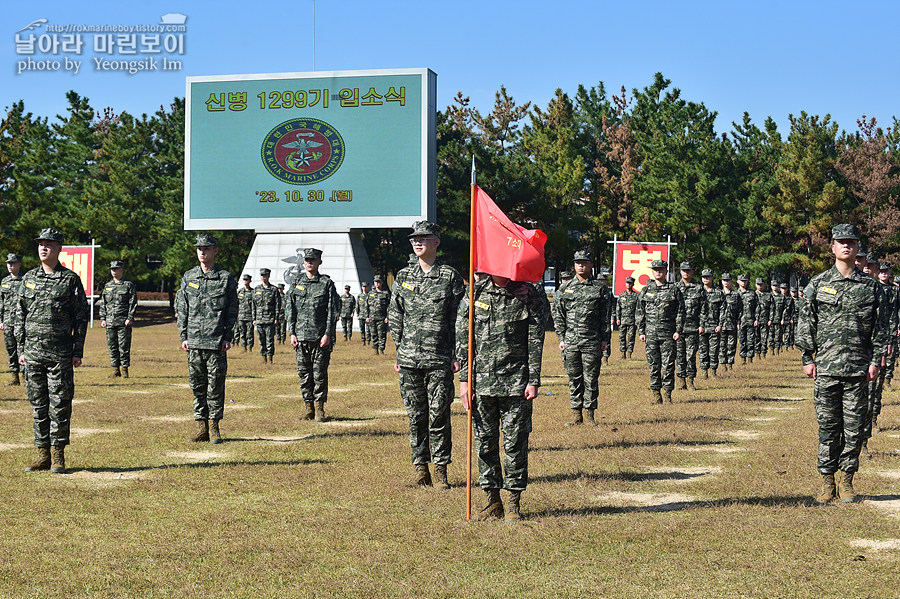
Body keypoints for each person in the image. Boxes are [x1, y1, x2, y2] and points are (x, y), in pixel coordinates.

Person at [798, 224, 887, 503]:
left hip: (858, 369)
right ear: (833, 247)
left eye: (851, 242)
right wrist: (806, 357)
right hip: (825, 368)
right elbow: (806, 322)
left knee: (854, 428)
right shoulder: (818, 283)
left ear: (858, 247)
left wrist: (875, 360)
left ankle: (847, 480)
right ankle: (827, 482)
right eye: (841, 242)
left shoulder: (871, 287)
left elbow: (880, 327)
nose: (846, 246)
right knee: (827, 426)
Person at [457, 273, 545, 521]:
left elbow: (535, 337)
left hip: (516, 382)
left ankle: (514, 502)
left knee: (515, 443)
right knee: (485, 442)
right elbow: (464, 337)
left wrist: (534, 379)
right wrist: (465, 380)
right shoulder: (475, 292)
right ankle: (492, 501)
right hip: (481, 383)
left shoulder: (528, 292)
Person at [388, 221, 464, 488]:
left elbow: (459, 319)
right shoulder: (403, 277)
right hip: (409, 359)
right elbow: (395, 314)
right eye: (413, 239)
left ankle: (441, 468)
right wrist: (400, 349)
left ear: (436, 242)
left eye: (423, 238)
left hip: (439, 359)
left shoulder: (450, 277)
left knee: (439, 414)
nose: (417, 242)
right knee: (415, 416)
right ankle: (421, 468)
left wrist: (456, 354)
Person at [17, 228, 89, 474]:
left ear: (59, 248)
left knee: (59, 404)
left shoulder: (69, 280)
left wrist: (77, 350)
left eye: (49, 244)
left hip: (59, 355)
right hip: (33, 354)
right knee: (38, 405)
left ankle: (58, 455)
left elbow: (80, 317)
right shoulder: (28, 279)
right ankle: (42, 454)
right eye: (40, 244)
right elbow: (20, 315)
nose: (43, 248)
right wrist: (21, 349)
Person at [175, 233, 238, 444]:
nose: (202, 251)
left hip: (216, 342)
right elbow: (182, 308)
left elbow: (232, 311)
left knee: (216, 386)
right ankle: (201, 427)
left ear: (215, 251)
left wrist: (228, 336)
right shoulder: (189, 277)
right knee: (197, 385)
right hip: (194, 341)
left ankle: (214, 428)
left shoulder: (225, 278)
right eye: (199, 248)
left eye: (207, 248)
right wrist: (183, 335)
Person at [553, 250, 610, 426]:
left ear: (591, 265)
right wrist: (561, 337)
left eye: (584, 262)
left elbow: (605, 316)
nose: (581, 265)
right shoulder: (565, 288)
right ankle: (576, 414)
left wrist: (605, 339)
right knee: (574, 378)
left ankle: (590, 414)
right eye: (578, 262)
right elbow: (558, 314)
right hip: (571, 340)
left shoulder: (599, 289)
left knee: (591, 378)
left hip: (592, 340)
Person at [286, 248, 338, 422]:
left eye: (313, 260)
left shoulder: (326, 283)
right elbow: (290, 309)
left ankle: (320, 408)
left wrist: (328, 334)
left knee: (319, 373)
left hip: (319, 337)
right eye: (307, 260)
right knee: (304, 373)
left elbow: (332, 310)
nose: (309, 262)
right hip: (301, 337)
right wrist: (291, 332)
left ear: (319, 262)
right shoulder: (296, 282)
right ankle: (308, 408)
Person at [638, 259, 685, 403]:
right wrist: (641, 331)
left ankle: (668, 394)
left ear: (666, 271)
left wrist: (678, 330)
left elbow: (680, 311)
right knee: (653, 364)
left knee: (668, 364)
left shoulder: (674, 289)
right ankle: (656, 393)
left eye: (661, 269)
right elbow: (640, 312)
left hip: (668, 333)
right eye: (655, 269)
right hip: (651, 334)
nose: (658, 271)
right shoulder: (646, 290)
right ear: (652, 271)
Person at [99, 260, 138, 379]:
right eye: (112, 269)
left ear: (122, 270)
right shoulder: (108, 286)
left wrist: (130, 317)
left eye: (116, 269)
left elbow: (133, 303)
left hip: (123, 322)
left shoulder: (128, 285)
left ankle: (125, 370)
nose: (114, 271)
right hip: (110, 321)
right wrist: (103, 318)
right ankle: (115, 370)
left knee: (124, 346)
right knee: (112, 346)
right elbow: (103, 303)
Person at [675, 261, 705, 390]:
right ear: (680, 271)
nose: (686, 272)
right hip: (678, 328)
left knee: (691, 355)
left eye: (689, 270)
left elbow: (704, 308)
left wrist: (702, 325)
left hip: (693, 327)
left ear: (693, 272)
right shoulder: (675, 287)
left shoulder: (698, 288)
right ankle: (681, 382)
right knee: (679, 355)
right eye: (684, 270)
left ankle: (691, 380)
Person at [0, 253, 24, 386]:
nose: (10, 265)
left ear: (19, 264)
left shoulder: (25, 280)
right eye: (8, 263)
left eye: (13, 263)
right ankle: (14, 377)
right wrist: (1, 320)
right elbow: (1, 303)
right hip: (8, 321)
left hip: (21, 321)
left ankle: (26, 376)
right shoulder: (4, 282)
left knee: (23, 348)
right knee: (11, 348)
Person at [252, 268, 281, 363]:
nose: (263, 277)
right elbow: (253, 305)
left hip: (270, 319)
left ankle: (270, 358)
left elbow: (277, 305)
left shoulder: (274, 289)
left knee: (270, 340)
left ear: (268, 276)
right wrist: (254, 319)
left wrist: (276, 318)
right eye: (262, 275)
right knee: (261, 340)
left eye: (265, 275)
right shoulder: (256, 289)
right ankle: (263, 358)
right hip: (259, 319)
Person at [699, 269, 723, 378]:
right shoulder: (698, 291)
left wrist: (720, 324)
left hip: (714, 326)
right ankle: (704, 372)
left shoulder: (718, 293)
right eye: (704, 277)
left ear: (712, 278)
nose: (706, 279)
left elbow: (723, 309)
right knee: (703, 350)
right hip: (701, 326)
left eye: (708, 277)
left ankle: (713, 371)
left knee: (713, 351)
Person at [719, 273, 741, 370]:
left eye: (728, 280)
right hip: (721, 325)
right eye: (724, 280)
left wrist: (739, 322)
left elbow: (740, 309)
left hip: (732, 324)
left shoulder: (736, 295)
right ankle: (723, 364)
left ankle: (730, 364)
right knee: (722, 345)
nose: (726, 282)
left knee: (732, 345)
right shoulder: (718, 293)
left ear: (731, 281)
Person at [737, 274, 758, 365]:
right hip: (741, 321)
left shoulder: (752, 293)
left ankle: (750, 358)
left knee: (750, 340)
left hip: (750, 320)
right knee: (742, 340)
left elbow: (757, 307)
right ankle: (743, 359)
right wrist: (736, 321)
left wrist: (756, 319)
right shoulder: (736, 294)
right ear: (738, 281)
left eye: (745, 280)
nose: (743, 282)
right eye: (741, 280)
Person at [367, 275, 391, 355]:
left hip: (381, 318)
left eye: (379, 282)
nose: (377, 283)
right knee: (373, 334)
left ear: (382, 283)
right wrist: (367, 316)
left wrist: (387, 317)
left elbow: (389, 306)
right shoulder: (370, 294)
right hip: (372, 317)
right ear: (374, 283)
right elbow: (367, 306)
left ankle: (381, 350)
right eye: (376, 282)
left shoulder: (385, 294)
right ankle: (375, 350)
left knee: (382, 334)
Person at [616, 276, 639, 359]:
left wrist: (637, 319)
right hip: (622, 320)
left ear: (633, 284)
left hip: (632, 320)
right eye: (627, 283)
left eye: (630, 283)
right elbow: (618, 308)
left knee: (631, 337)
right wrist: (618, 318)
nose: (628, 284)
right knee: (621, 337)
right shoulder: (621, 295)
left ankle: (629, 354)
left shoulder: (636, 296)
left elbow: (638, 309)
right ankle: (623, 354)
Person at [236, 274, 254, 352]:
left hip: (250, 316)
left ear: (250, 281)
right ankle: (244, 347)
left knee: (250, 333)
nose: (245, 281)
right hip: (241, 316)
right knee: (242, 333)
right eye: (244, 280)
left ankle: (250, 348)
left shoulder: (253, 292)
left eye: (247, 280)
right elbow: (236, 304)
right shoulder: (240, 291)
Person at [755, 278, 772, 358]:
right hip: (755, 320)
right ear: (755, 285)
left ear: (764, 284)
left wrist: (770, 319)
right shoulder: (753, 295)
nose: (760, 286)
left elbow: (772, 308)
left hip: (765, 319)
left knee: (764, 338)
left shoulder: (768, 295)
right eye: (758, 284)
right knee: (756, 337)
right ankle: (757, 353)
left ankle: (763, 353)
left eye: (761, 284)